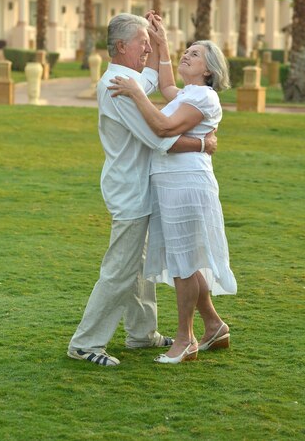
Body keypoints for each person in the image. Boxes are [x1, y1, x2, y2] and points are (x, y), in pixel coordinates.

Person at [67, 13, 217, 367]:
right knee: (121, 268)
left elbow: (153, 79)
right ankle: (86, 342)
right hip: (129, 189)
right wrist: (202, 144)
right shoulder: (119, 86)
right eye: (141, 42)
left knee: (139, 266)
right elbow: (158, 136)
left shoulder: (130, 78)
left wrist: (160, 40)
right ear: (121, 46)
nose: (146, 47)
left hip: (141, 187)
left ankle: (142, 333)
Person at [108, 30, 237, 365]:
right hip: (170, 183)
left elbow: (164, 128)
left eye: (194, 54)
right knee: (184, 260)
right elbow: (166, 89)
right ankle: (213, 325)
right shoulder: (188, 93)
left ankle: (186, 340)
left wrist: (137, 93)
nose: (186, 56)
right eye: (186, 51)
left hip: (186, 183)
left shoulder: (205, 98)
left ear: (208, 70)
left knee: (183, 264)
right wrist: (162, 43)